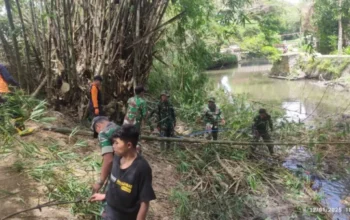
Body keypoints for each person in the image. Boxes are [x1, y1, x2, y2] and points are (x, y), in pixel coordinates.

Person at [90, 124, 156, 220]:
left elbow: (144, 202)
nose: (113, 146)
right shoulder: (117, 158)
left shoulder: (142, 168)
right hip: (109, 213)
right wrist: (105, 196)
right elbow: (116, 185)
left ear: (129, 145)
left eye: (117, 143)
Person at [0, 64, 33, 136]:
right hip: (2, 92)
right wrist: (17, 85)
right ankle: (21, 129)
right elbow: (8, 78)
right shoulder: (0, 66)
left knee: (1, 112)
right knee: (14, 108)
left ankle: (2, 133)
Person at [91, 116, 121, 192]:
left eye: (96, 131)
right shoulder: (120, 128)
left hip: (121, 168)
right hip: (135, 167)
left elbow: (108, 160)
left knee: (108, 196)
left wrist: (100, 183)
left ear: (98, 126)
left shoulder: (103, 133)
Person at [123, 85, 147, 154]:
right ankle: (136, 153)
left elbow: (128, 109)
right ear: (141, 92)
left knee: (125, 135)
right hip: (135, 122)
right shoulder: (143, 102)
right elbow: (144, 115)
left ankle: (124, 150)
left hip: (126, 120)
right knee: (136, 137)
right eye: (143, 92)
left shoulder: (130, 99)